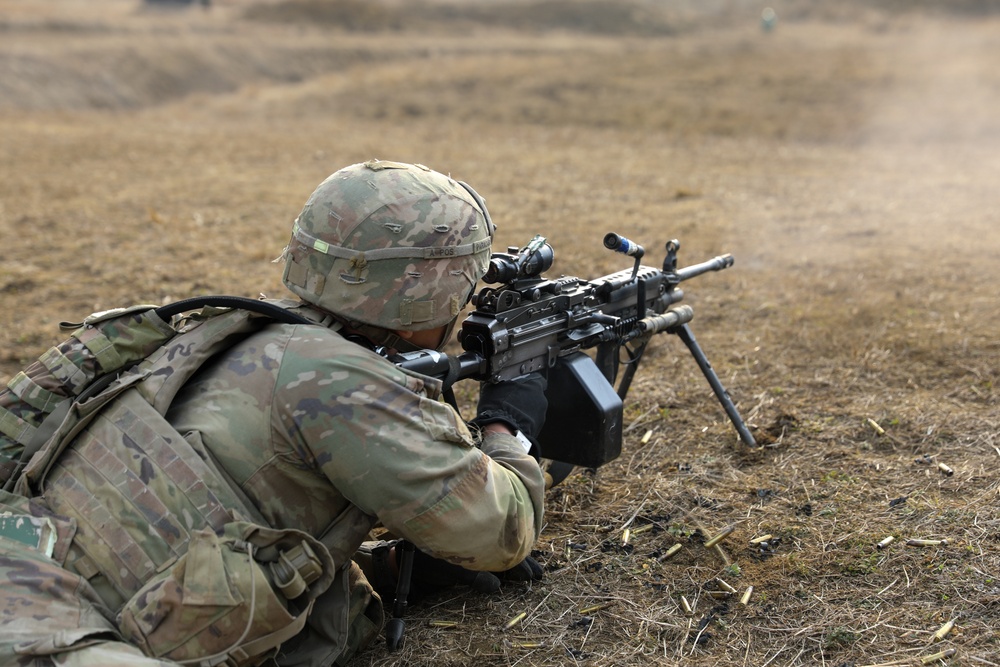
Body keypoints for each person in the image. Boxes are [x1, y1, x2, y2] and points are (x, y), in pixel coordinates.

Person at [0, 159, 547, 666]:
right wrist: (506, 427)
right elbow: (499, 532)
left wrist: (381, 572)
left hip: (25, 563)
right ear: (422, 295)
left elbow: (209, 513)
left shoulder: (228, 326)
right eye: (463, 286)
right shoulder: (337, 379)